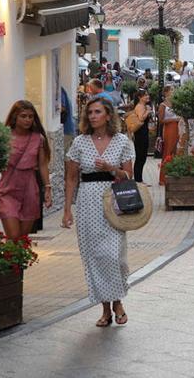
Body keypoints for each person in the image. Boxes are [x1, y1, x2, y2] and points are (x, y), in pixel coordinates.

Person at [62, 97, 135, 327]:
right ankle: (106, 308)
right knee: (95, 257)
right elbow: (71, 178)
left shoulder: (122, 141)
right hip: (88, 202)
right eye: (90, 112)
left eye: (97, 112)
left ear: (108, 115)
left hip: (113, 202)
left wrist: (112, 168)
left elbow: (129, 176)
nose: (93, 116)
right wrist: (67, 210)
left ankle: (118, 301)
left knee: (114, 256)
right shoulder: (80, 143)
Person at [0, 100, 52, 241]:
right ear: (15, 117)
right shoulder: (4, 137)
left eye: (31, 116)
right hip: (8, 190)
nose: (28, 120)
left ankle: (12, 262)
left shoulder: (38, 139)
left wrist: (48, 188)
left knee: (21, 238)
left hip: (30, 190)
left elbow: (43, 165)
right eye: (23, 116)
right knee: (13, 235)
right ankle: (9, 261)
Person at [158, 86, 181, 186]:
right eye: (171, 90)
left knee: (176, 151)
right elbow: (161, 120)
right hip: (169, 129)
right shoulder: (163, 105)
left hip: (178, 128)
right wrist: (174, 120)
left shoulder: (176, 103)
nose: (173, 91)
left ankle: (174, 176)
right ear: (166, 93)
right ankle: (163, 178)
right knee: (168, 150)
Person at [130, 90, 153, 183]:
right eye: (145, 95)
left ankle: (139, 178)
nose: (147, 96)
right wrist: (147, 111)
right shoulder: (140, 106)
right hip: (140, 134)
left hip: (143, 132)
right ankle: (138, 180)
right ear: (140, 97)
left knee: (142, 156)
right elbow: (141, 118)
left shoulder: (143, 106)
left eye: (147, 95)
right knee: (140, 157)